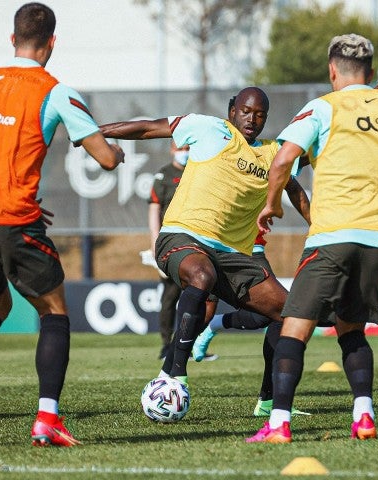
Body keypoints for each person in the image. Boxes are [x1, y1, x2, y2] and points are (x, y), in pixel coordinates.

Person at [0, 2, 124, 448]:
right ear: (52, 43)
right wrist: (113, 151)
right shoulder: (55, 91)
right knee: (55, 310)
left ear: (11, 38)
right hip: (8, 218)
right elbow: (105, 158)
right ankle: (47, 419)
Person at [247, 33, 378, 444]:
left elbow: (284, 159)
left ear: (331, 70)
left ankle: (279, 423)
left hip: (334, 234)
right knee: (351, 329)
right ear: (372, 73)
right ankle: (364, 417)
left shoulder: (322, 107)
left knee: (293, 329)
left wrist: (270, 204)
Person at [100, 86, 310, 396]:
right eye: (245, 111)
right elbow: (147, 127)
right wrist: (96, 132)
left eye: (260, 115)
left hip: (232, 257)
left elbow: (298, 177)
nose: (252, 119)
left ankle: (269, 403)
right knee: (201, 275)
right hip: (181, 237)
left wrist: (316, 224)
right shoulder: (207, 127)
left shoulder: (274, 153)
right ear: (231, 111)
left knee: (290, 314)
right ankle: (175, 378)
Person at [144, 140, 217, 361]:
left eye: (187, 149)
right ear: (172, 150)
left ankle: (193, 343)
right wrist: (155, 243)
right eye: (180, 149)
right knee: (169, 298)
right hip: (172, 243)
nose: (184, 153)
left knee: (200, 296)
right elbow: (154, 210)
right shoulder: (163, 176)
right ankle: (167, 345)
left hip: (197, 240)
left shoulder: (197, 172)